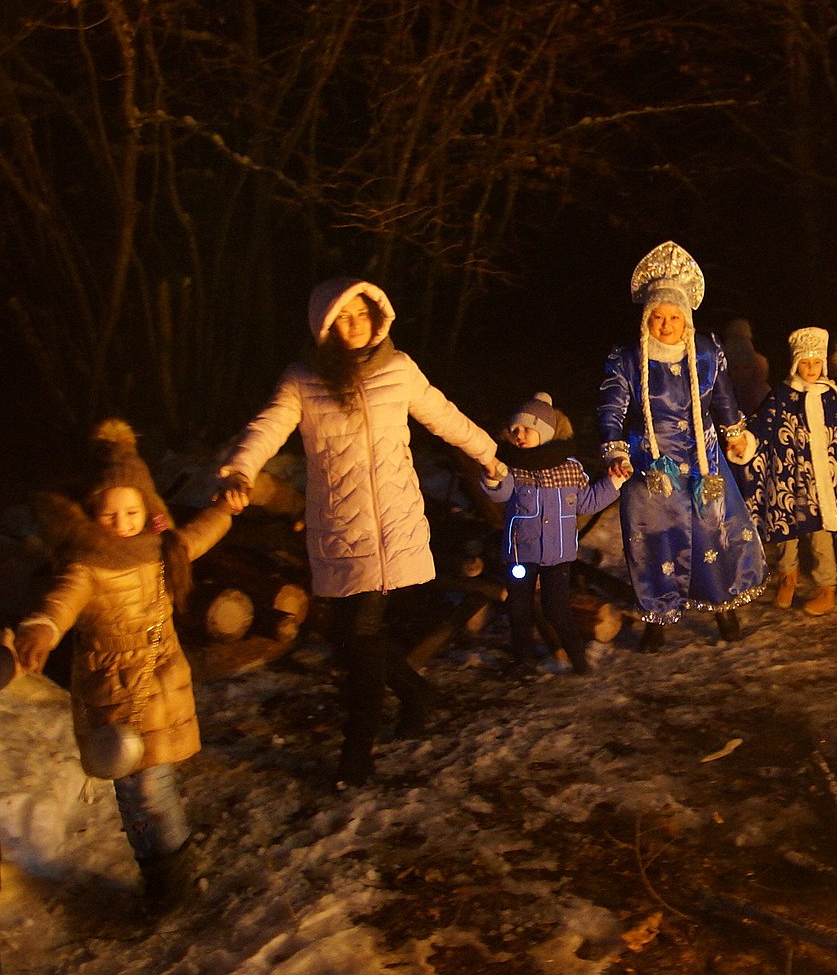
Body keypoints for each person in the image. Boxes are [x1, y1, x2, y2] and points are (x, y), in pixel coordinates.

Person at [219, 278, 504, 788]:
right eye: (341, 319)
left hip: (393, 523)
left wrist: (488, 454)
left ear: (379, 317)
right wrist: (240, 470)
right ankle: (416, 694)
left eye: (361, 315)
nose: (354, 326)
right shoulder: (303, 380)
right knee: (357, 638)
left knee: (361, 637)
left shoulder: (398, 370)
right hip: (339, 526)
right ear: (323, 327)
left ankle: (357, 753)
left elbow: (444, 417)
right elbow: (266, 428)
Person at [3, 420, 248, 909]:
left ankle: (170, 882)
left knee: (150, 789)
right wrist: (42, 630)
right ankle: (158, 866)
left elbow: (200, 531)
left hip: (158, 684)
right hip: (112, 692)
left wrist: (226, 506)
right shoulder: (86, 565)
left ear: (148, 508)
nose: (122, 522)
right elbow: (61, 602)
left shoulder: (163, 550)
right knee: (131, 792)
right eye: (110, 513)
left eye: (132, 510)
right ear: (93, 514)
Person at [598, 241, 765, 650]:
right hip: (650, 463)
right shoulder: (627, 359)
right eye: (658, 317)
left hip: (702, 460)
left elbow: (723, 399)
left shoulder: (706, 351)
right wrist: (616, 451)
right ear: (646, 318)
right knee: (653, 538)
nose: (666, 325)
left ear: (686, 319)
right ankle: (657, 613)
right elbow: (611, 409)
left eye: (674, 317)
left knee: (715, 532)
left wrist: (735, 433)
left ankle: (723, 605)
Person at [481, 393, 626, 674]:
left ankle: (579, 660)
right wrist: (491, 478)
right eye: (514, 430)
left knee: (556, 609)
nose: (518, 435)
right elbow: (499, 493)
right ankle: (525, 660)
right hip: (520, 552)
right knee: (518, 608)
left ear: (545, 431)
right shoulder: (512, 467)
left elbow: (588, 501)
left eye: (526, 428)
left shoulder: (570, 469)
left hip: (557, 555)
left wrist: (614, 482)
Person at [742, 327, 837, 615]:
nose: (810, 368)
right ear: (796, 363)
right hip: (789, 482)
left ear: (822, 364)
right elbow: (763, 426)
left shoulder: (830, 397)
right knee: (787, 535)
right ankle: (787, 578)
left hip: (821, 485)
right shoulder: (782, 395)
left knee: (821, 537)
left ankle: (826, 587)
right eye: (805, 363)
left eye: (815, 362)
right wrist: (746, 442)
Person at [720, 318, 772, 416]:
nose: (741, 373)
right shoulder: (722, 392)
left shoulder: (760, 392)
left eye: (745, 368)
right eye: (735, 368)